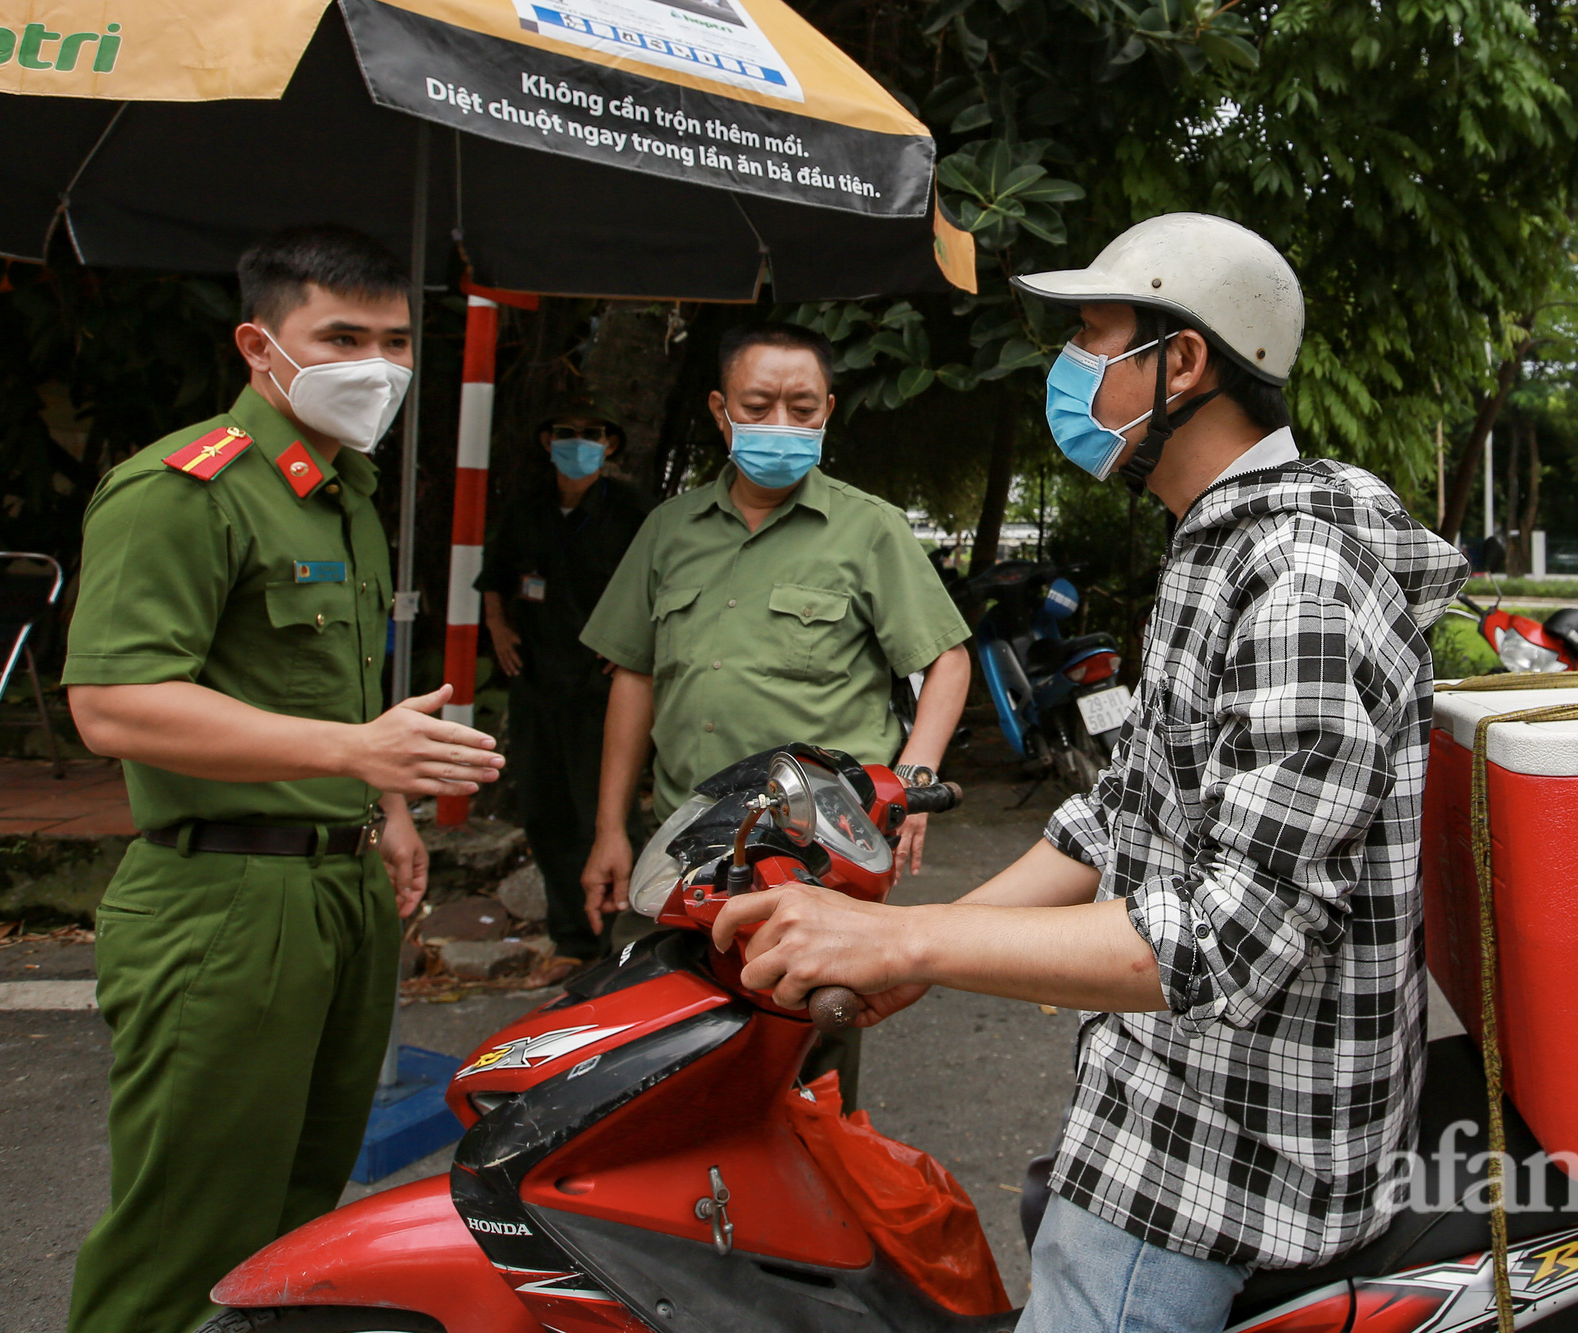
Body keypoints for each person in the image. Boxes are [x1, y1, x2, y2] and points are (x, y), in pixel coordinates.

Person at [708, 214, 1471, 1332]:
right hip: (1158, 1104)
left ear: (1184, 360)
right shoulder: (1216, 545)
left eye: (1094, 336)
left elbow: (1226, 933)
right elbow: (1122, 811)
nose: (1067, 370)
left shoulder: (1299, 581)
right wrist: (937, 944)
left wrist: (899, 936)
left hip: (1213, 1167)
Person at [60, 224, 506, 1333]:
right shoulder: (181, 489)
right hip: (222, 906)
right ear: (260, 344)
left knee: (302, 1223)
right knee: (188, 1234)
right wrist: (354, 756)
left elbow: (333, 690)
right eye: (343, 337)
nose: (380, 366)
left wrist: (389, 809)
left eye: (399, 341)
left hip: (340, 895)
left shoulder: (344, 491)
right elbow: (114, 704)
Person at [578, 321, 972, 1107]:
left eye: (802, 406)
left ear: (828, 411)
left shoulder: (868, 529)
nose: (782, 424)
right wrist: (610, 827)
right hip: (683, 846)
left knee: (803, 1073)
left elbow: (946, 659)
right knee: (651, 1056)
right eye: (761, 405)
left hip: (816, 855)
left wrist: (915, 773)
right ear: (723, 413)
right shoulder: (668, 531)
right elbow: (633, 677)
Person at [478, 399, 653, 965]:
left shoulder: (633, 513)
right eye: (566, 431)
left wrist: (636, 647)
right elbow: (496, 579)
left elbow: (664, 588)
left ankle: (620, 945)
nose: (578, 442)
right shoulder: (526, 509)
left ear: (610, 445)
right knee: (545, 813)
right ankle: (571, 942)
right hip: (534, 683)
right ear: (547, 439)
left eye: (591, 433)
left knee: (605, 815)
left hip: (603, 693)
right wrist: (499, 630)